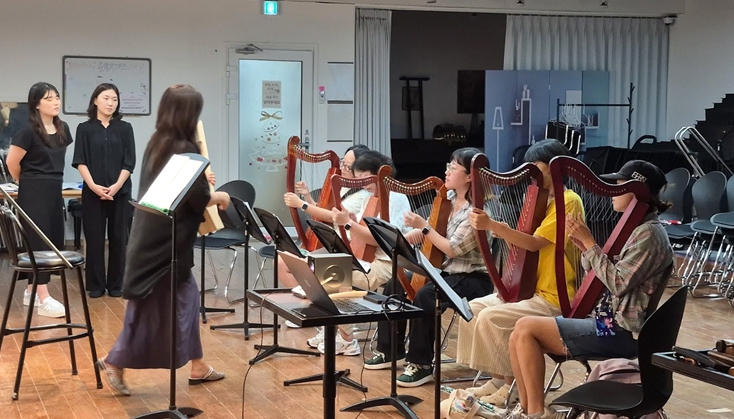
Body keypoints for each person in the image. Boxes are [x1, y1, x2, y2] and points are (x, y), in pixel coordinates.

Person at [506, 160, 674, 419]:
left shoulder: (649, 235)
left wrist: (589, 244)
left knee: (526, 329)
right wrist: (586, 248)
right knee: (518, 331)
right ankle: (530, 411)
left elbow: (618, 283)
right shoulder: (635, 228)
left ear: (637, 191)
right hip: (606, 321)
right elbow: (603, 275)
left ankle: (537, 413)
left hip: (621, 331)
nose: (613, 191)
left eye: (619, 185)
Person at [96, 84, 230, 396]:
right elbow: (196, 199)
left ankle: (198, 365)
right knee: (148, 308)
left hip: (154, 239)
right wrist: (220, 195)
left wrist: (202, 182)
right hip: (163, 246)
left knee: (187, 298)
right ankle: (114, 360)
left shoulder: (159, 141)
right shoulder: (183, 148)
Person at [455, 139, 584, 406]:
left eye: (536, 165)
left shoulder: (569, 201)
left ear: (555, 167)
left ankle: (510, 385)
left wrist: (494, 226)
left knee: (492, 317)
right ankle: (497, 379)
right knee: (472, 309)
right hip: (531, 289)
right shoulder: (537, 198)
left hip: (554, 296)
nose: (530, 171)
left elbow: (535, 243)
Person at [360, 147, 495, 388]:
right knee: (395, 283)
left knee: (426, 295)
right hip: (444, 272)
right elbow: (428, 233)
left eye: (453, 168)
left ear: (469, 177)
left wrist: (424, 227)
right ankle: (390, 350)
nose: (447, 171)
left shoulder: (478, 212)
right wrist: (399, 241)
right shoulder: (448, 199)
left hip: (472, 278)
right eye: (448, 166)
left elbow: (451, 249)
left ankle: (421, 364)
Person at [302, 149, 411, 356]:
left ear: (379, 174)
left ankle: (347, 339)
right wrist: (350, 219)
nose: (362, 182)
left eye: (365, 177)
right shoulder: (370, 198)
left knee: (332, 278)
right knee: (319, 270)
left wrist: (349, 223)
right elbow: (361, 229)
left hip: (389, 264)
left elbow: (381, 239)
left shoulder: (396, 198)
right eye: (359, 177)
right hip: (369, 259)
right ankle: (333, 331)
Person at [6, 82, 73, 318]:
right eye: (49, 98)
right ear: (36, 104)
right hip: (33, 189)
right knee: (39, 242)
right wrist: (25, 180)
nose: (56, 102)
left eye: (57, 97)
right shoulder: (26, 131)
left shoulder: (63, 128)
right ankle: (44, 297)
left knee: (53, 238)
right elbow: (12, 163)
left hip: (54, 188)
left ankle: (31, 291)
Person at [73, 83, 136, 298]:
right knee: (95, 238)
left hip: (121, 191)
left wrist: (117, 186)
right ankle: (96, 284)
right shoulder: (84, 128)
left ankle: (117, 284)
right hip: (93, 192)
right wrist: (92, 185)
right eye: (106, 98)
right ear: (95, 100)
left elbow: (129, 162)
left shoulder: (125, 128)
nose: (111, 103)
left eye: (114, 99)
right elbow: (80, 160)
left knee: (119, 238)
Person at [279, 144, 370, 289]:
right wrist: (307, 196)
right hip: (329, 241)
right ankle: (306, 297)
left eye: (348, 167)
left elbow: (332, 217)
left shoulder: (363, 195)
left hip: (343, 246)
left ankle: (310, 298)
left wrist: (301, 204)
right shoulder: (343, 186)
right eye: (342, 163)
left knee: (284, 263)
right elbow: (323, 211)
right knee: (281, 260)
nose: (342, 168)